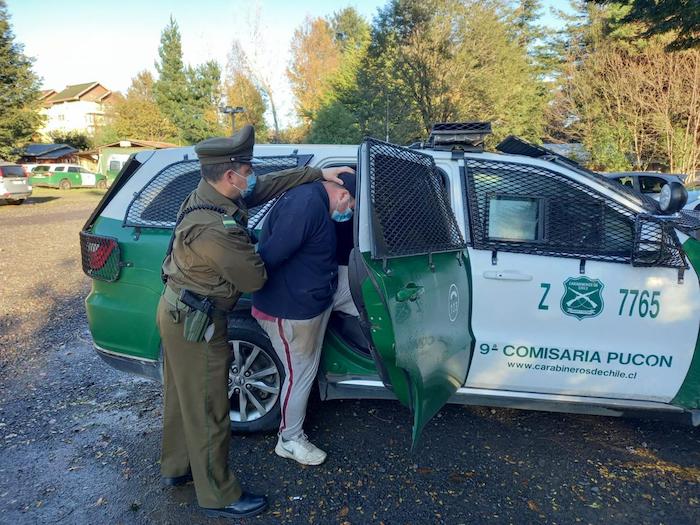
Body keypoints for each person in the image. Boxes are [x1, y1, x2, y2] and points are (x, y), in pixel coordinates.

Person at [157, 124, 353, 519]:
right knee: (210, 408)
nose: (253, 177)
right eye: (247, 171)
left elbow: (266, 186)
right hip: (198, 321)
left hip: (179, 311)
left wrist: (316, 173)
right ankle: (219, 494)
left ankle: (177, 467)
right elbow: (255, 277)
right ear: (231, 175)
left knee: (181, 398)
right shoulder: (216, 228)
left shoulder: (210, 194)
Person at [252, 173, 356, 466]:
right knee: (301, 373)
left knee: (368, 289)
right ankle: (289, 439)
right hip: (293, 309)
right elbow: (267, 258)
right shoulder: (305, 206)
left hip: (319, 293)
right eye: (351, 207)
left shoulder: (316, 201)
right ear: (342, 196)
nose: (349, 214)